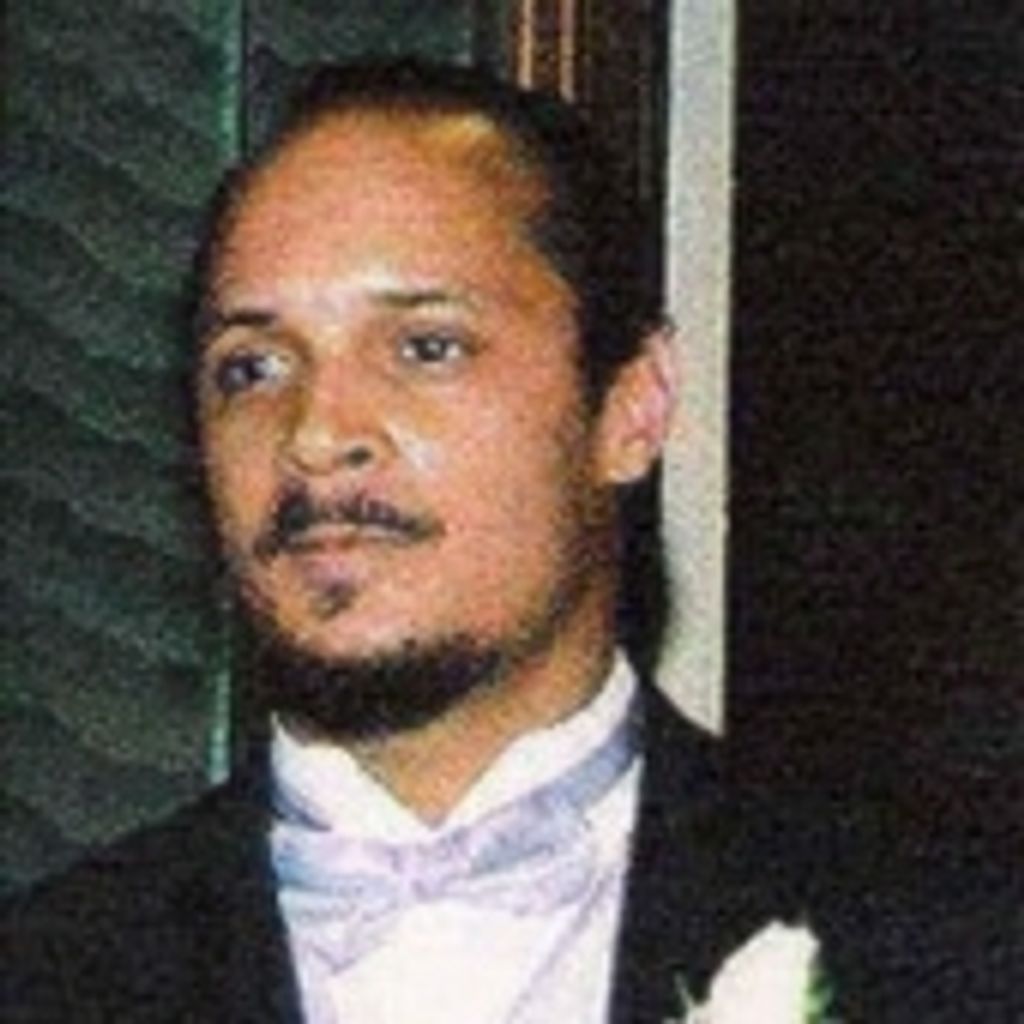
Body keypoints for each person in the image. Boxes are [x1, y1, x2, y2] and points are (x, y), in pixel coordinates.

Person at [3, 60, 1017, 1024]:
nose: (315, 433)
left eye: (425, 347)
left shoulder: (947, 949)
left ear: (630, 407)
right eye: (253, 367)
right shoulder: (49, 976)